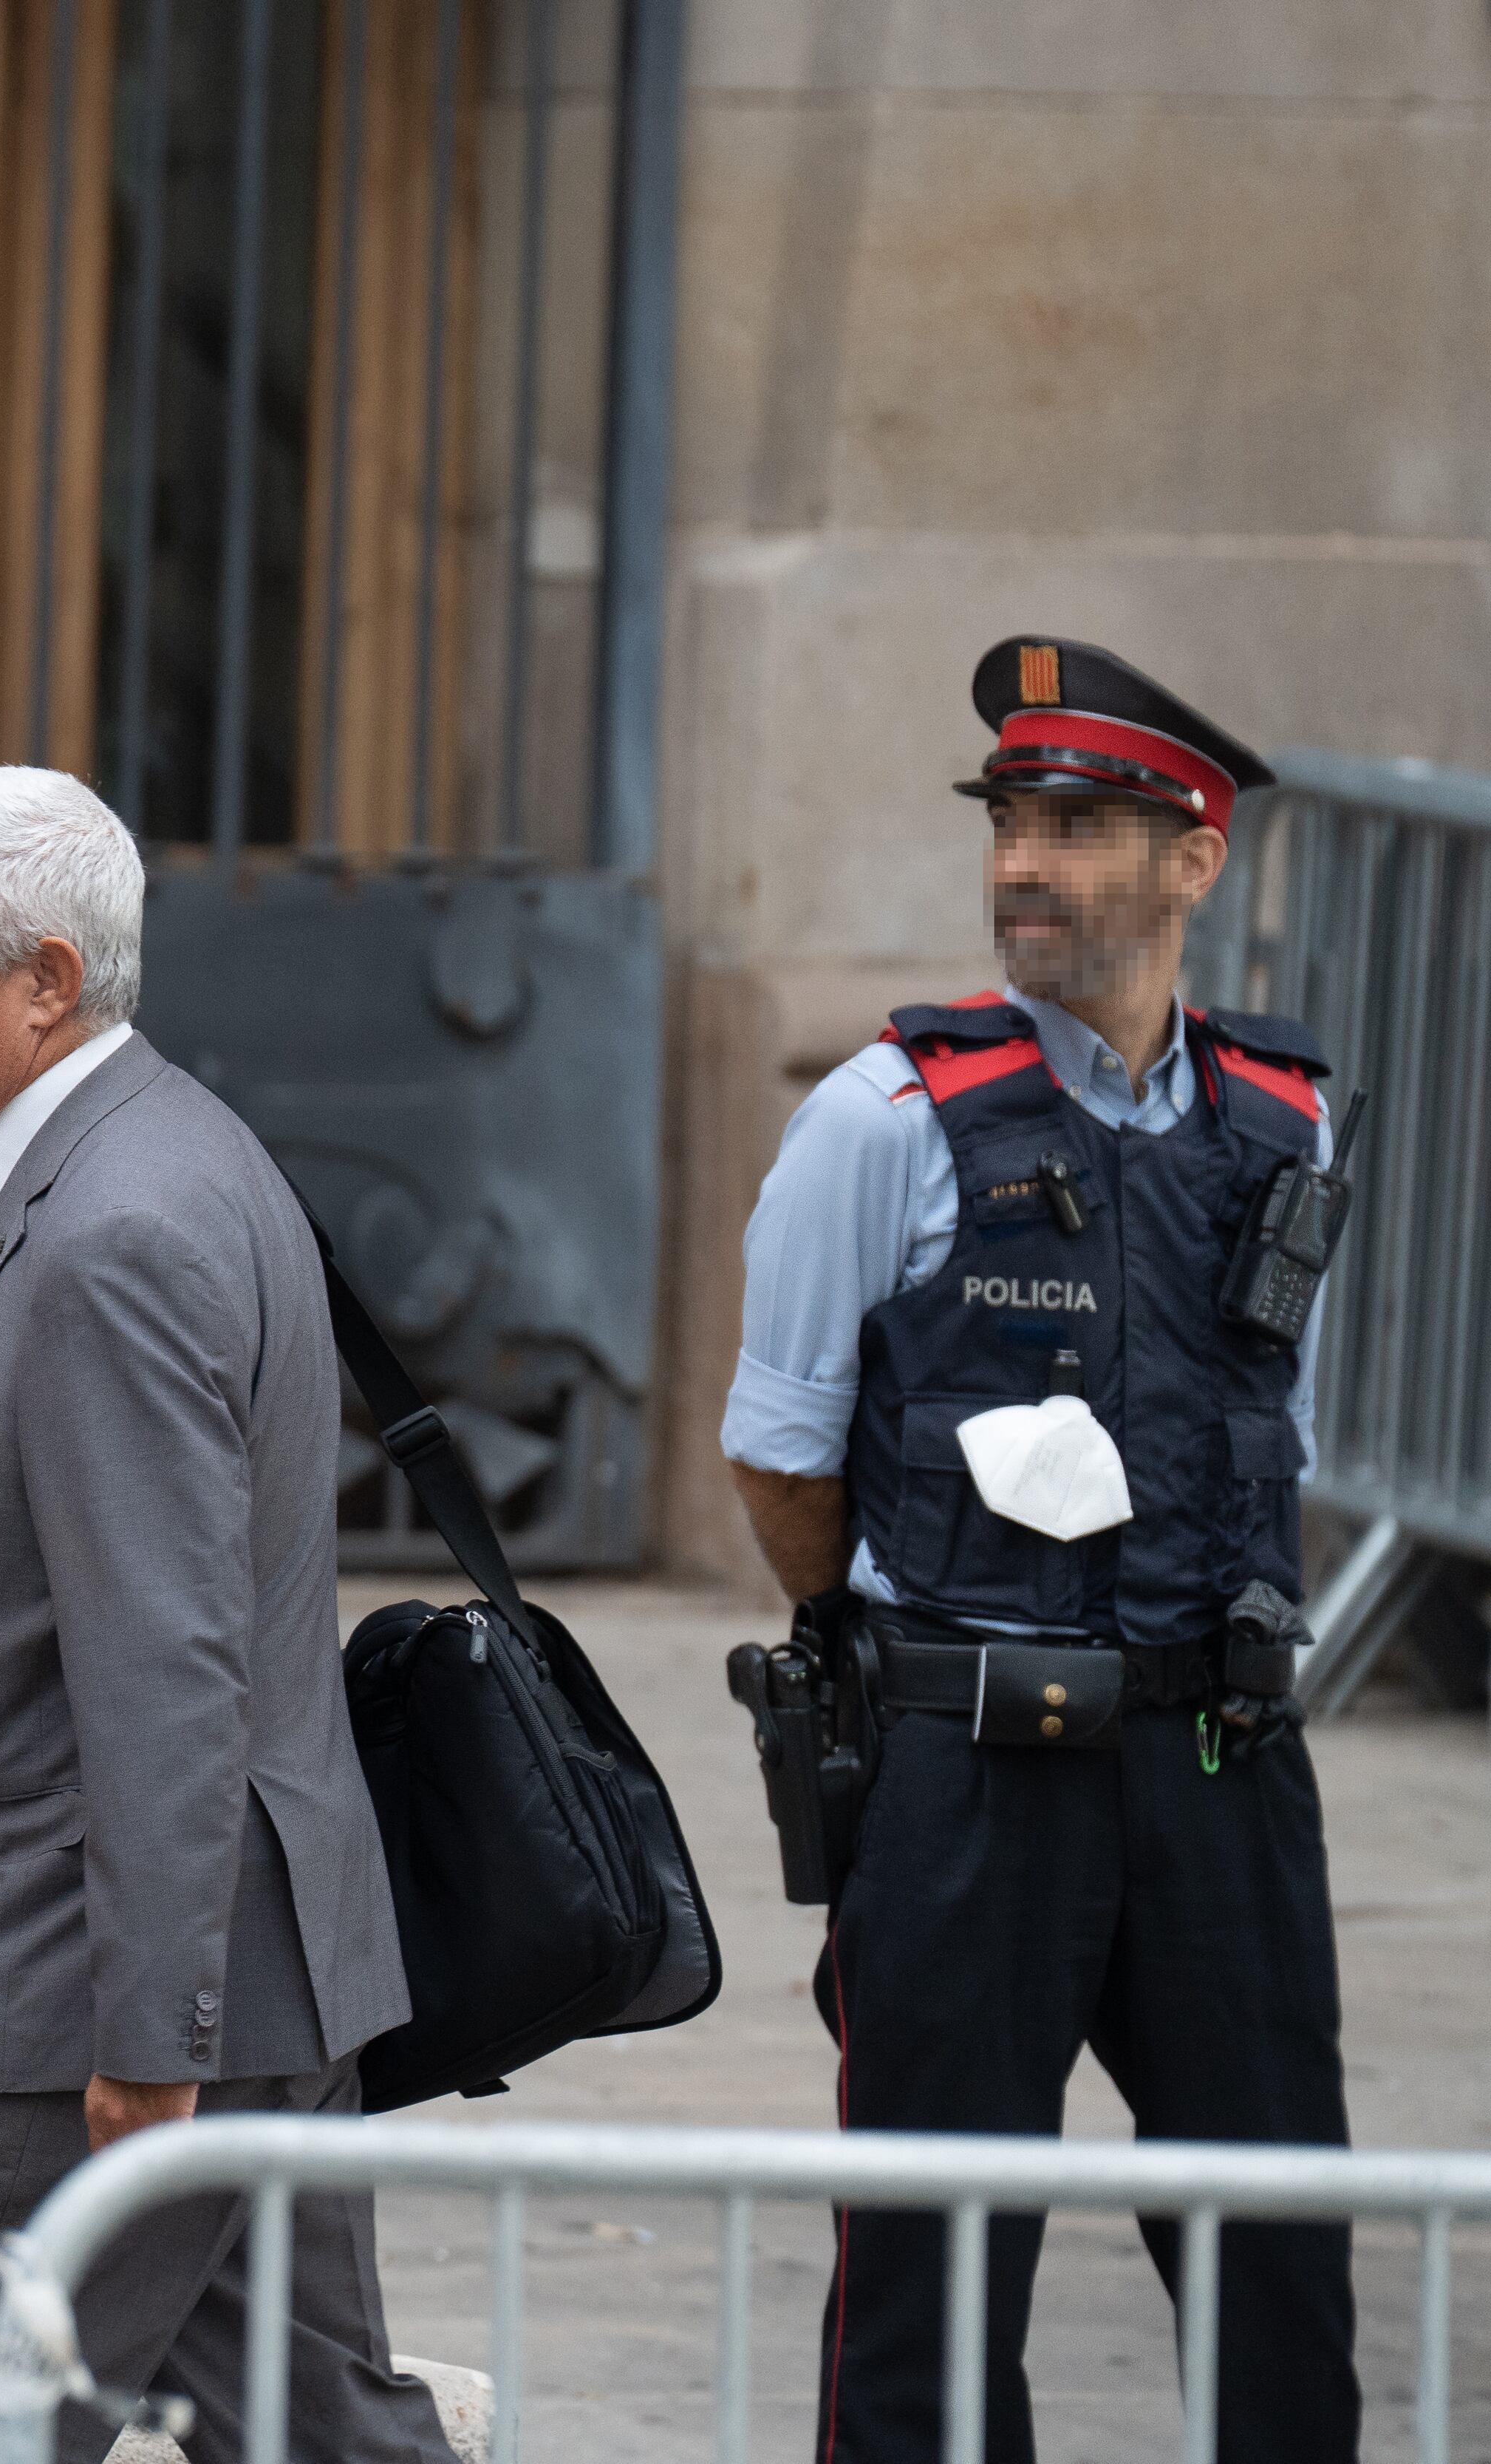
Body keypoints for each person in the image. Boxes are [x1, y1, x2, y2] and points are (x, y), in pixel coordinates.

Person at [721, 637, 1354, 2461]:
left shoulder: (1283, 1121)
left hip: (1225, 1769)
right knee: (928, 2292)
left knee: (1279, 2277)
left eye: (1075, 824)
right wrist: (911, 1647)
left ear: (1192, 857)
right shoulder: (887, 1116)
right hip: (975, 1772)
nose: (1023, 862)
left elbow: (1265, 1433)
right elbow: (778, 1466)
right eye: (1010, 818)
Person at [0, 767, 455, 2464]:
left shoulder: (116, 1226)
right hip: (220, 1972)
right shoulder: (146, 1149)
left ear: (44, 979)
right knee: (325, 2432)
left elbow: (169, 1663)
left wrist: (150, 2042)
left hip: (106, 1990)